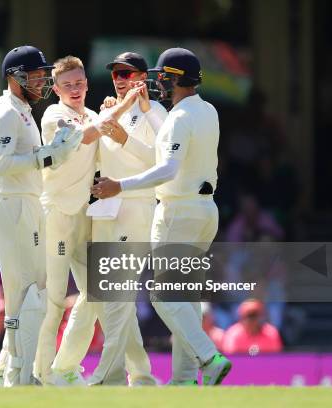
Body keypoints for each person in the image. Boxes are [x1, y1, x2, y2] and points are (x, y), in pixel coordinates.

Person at [92, 48, 232, 385]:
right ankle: (184, 379)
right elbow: (166, 144)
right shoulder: (206, 110)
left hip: (177, 212)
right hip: (204, 212)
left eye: (164, 78)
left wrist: (118, 186)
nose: (160, 84)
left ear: (176, 79)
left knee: (164, 294)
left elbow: (166, 167)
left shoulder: (180, 117)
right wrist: (147, 113)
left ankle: (210, 358)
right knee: (185, 296)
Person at [52, 52, 167, 386]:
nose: (120, 79)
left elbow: (162, 164)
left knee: (114, 297)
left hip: (134, 207)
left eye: (128, 74)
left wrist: (125, 139)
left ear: (142, 78)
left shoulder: (155, 112)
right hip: (102, 210)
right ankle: (140, 374)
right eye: (117, 73)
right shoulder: (106, 110)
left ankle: (107, 374)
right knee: (106, 297)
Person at [0, 45, 83, 386]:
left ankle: (13, 373)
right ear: (15, 78)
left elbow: (27, 161)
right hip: (11, 205)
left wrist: (53, 155)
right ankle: (19, 376)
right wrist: (48, 155)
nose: (40, 83)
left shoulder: (23, 110)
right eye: (35, 77)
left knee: (32, 292)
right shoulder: (7, 112)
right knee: (26, 294)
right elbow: (3, 164)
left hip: (26, 202)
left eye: (42, 77)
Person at [33, 55, 99, 384]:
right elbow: (82, 137)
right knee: (55, 300)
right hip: (57, 213)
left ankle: (64, 368)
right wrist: (119, 109)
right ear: (56, 89)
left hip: (85, 215)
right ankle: (42, 374)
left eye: (79, 83)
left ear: (87, 84)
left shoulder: (95, 115)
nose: (75, 89)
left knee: (97, 293)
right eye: (67, 85)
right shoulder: (54, 115)